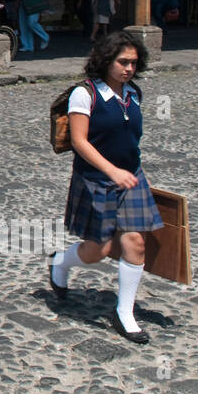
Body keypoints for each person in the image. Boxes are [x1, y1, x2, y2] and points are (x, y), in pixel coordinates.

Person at [48, 32, 162, 344]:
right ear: (106, 60)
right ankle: (61, 262)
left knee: (135, 243)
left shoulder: (134, 93)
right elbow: (79, 141)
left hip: (130, 178)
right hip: (96, 180)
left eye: (134, 63)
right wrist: (111, 170)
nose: (129, 68)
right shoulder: (84, 95)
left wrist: (128, 169)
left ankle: (124, 313)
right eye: (123, 62)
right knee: (102, 249)